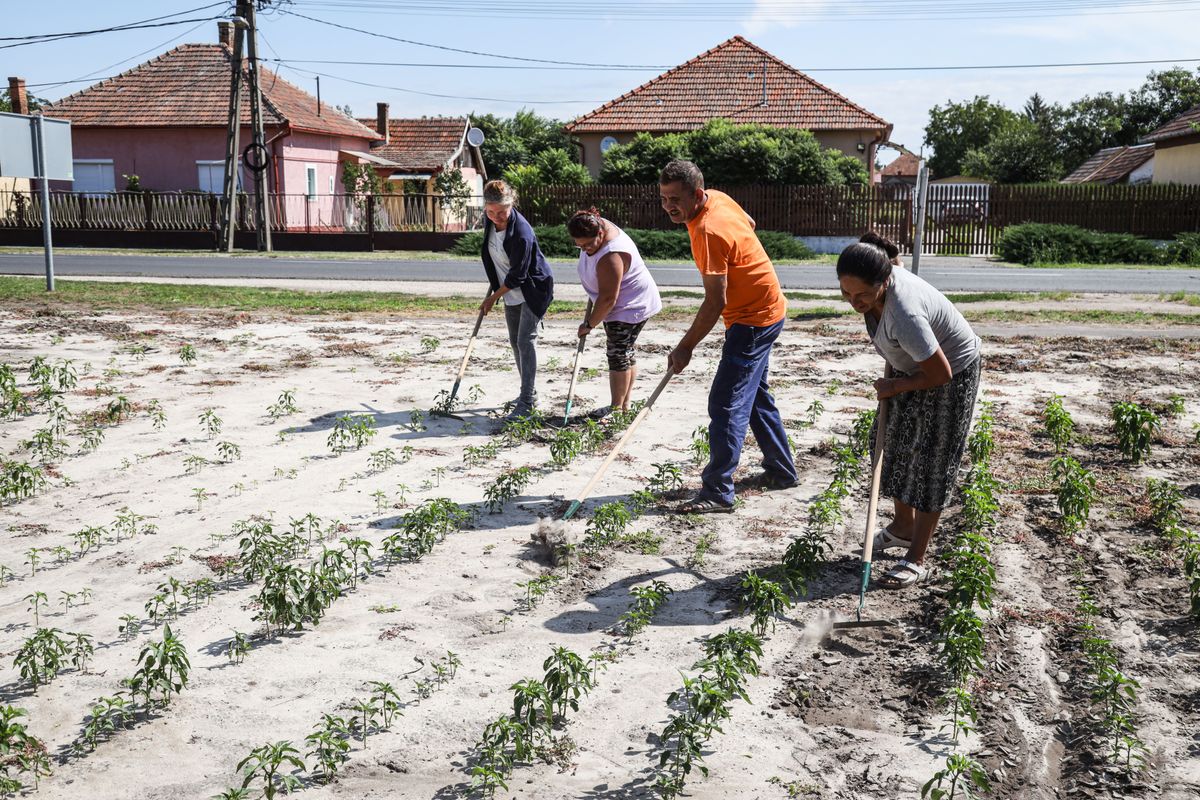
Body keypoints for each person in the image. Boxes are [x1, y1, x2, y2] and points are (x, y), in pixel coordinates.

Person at [836, 237, 982, 589]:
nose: (855, 304)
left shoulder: (905, 314)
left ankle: (916, 558)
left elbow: (940, 374)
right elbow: (888, 257)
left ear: (883, 282)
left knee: (932, 461)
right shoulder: (882, 275)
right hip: (913, 367)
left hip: (950, 373)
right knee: (892, 445)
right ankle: (902, 527)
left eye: (863, 297)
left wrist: (895, 387)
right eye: (846, 295)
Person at [658, 160, 798, 513]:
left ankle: (718, 492)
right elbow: (749, 225)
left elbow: (715, 299)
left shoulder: (707, 230)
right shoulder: (719, 199)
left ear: (696, 193)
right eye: (663, 198)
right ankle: (782, 470)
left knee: (725, 402)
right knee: (754, 395)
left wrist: (685, 346)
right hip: (768, 308)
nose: (669, 206)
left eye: (675, 198)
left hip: (753, 321)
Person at [567, 208, 663, 416]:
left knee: (618, 354)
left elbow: (609, 298)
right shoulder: (594, 223)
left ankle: (616, 408)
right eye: (579, 245)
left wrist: (589, 325)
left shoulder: (612, 254)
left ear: (600, 233)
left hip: (628, 306)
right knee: (625, 351)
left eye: (587, 244)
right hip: (627, 302)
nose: (584, 249)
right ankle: (624, 405)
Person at [479, 179, 554, 420]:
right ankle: (529, 393)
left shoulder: (521, 232)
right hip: (508, 289)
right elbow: (494, 257)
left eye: (501, 212)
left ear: (512, 205)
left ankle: (527, 402)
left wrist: (493, 298)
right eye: (490, 212)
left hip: (532, 289)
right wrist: (495, 284)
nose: (496, 217)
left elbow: (519, 274)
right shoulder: (490, 223)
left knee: (525, 341)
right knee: (515, 342)